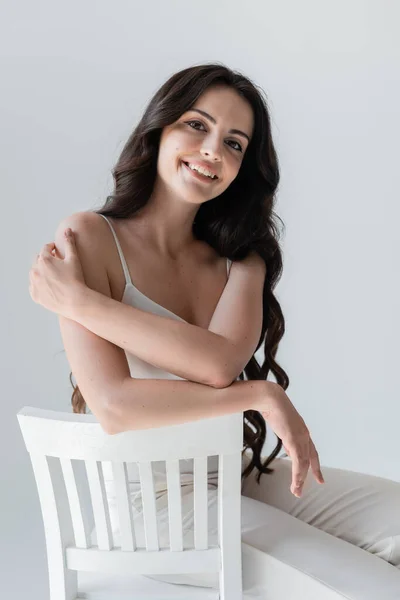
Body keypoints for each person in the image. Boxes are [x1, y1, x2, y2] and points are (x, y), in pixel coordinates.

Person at [28, 63, 400, 591]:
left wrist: (78, 303)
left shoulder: (241, 259)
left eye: (234, 144)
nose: (212, 152)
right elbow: (113, 405)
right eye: (197, 125)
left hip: (235, 477)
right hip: (152, 511)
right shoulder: (88, 237)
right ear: (159, 128)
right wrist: (260, 395)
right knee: (369, 584)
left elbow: (219, 363)